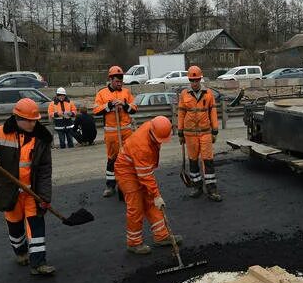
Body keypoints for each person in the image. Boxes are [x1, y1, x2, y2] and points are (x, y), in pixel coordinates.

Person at [0, 98, 56, 276]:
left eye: (35, 120)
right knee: (15, 229)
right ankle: (21, 252)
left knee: (36, 226)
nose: (33, 124)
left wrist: (45, 197)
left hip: (31, 192)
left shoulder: (42, 138)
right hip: (9, 192)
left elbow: (45, 170)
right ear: (18, 118)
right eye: (29, 120)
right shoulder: (0, 133)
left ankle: (39, 263)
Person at [115, 115, 183, 254]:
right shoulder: (141, 147)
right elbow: (145, 176)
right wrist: (157, 195)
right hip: (126, 172)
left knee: (151, 202)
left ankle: (162, 236)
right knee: (136, 207)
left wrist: (154, 196)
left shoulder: (153, 126)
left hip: (139, 167)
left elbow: (146, 173)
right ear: (152, 132)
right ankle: (134, 243)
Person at [177, 65, 222, 201]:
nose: (194, 83)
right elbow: (180, 114)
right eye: (192, 80)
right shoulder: (184, 95)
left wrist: (215, 131)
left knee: (208, 160)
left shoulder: (208, 94)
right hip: (189, 135)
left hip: (205, 133)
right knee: (193, 161)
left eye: (196, 80)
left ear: (200, 79)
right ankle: (197, 186)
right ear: (189, 80)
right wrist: (180, 133)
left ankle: (211, 189)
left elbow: (213, 113)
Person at [93, 66, 137, 197]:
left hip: (127, 132)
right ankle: (110, 186)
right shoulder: (102, 94)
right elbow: (96, 111)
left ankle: (129, 183)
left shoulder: (126, 93)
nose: (119, 83)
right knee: (112, 159)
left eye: (121, 81)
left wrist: (124, 105)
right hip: (112, 133)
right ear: (111, 80)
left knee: (128, 158)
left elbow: (134, 108)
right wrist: (110, 105)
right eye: (117, 81)